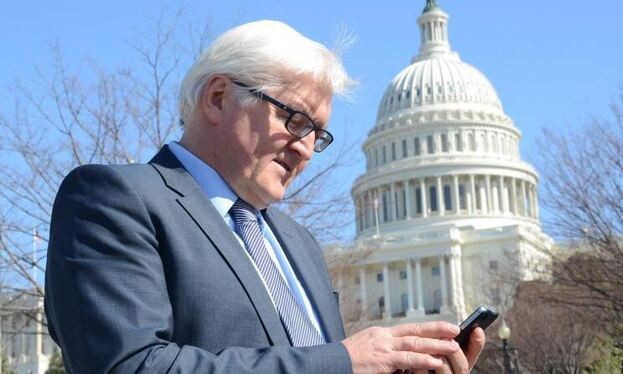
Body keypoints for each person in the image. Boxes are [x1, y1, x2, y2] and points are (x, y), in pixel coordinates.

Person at [45, 20, 485, 373]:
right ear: (218, 98)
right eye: (295, 120)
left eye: (319, 134)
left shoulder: (301, 246)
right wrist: (345, 361)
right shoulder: (113, 200)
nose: (307, 148)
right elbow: (131, 365)